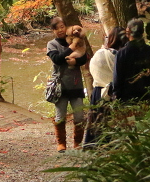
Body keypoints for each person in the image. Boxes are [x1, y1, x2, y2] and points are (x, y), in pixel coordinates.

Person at [46, 16, 88, 152]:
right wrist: (71, 47)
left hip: (76, 85)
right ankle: (61, 143)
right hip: (60, 85)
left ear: (66, 27)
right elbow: (57, 59)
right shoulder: (52, 44)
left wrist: (75, 62)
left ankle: (77, 143)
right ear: (53, 30)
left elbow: (83, 58)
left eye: (62, 27)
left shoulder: (76, 39)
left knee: (79, 116)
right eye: (57, 28)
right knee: (60, 116)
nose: (60, 30)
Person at [83, 26, 125, 147]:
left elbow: (92, 69)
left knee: (97, 120)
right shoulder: (121, 55)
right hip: (114, 92)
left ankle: (93, 144)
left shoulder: (100, 54)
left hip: (98, 91)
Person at [113, 18, 150, 103]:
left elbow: (117, 79)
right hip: (149, 98)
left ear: (128, 31)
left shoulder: (121, 53)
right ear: (142, 32)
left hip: (128, 100)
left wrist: (117, 96)